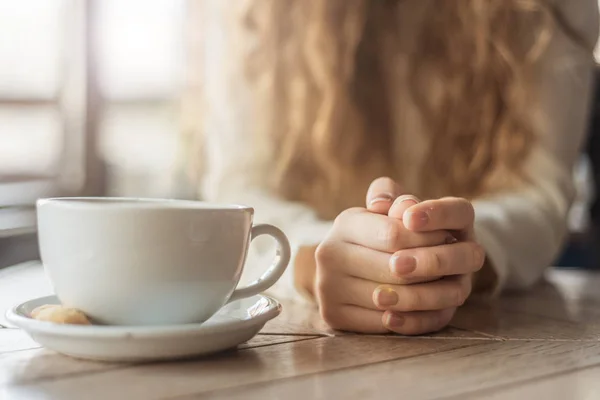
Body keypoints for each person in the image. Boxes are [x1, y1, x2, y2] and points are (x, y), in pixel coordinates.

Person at [182, 0, 599, 335]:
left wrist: (454, 253)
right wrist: (316, 256)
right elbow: (239, 191)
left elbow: (539, 196)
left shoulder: (547, 9)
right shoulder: (251, 11)